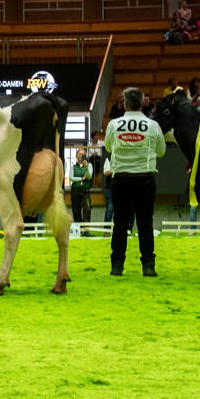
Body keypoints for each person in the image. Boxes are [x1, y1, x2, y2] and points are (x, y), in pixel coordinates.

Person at [105, 86, 166, 277]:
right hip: (145, 179)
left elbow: (108, 147)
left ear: (125, 104)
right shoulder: (153, 125)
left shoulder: (114, 124)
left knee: (120, 223)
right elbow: (161, 151)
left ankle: (117, 265)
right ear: (142, 104)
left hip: (121, 180)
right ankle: (148, 265)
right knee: (145, 223)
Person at [69, 148, 92, 226]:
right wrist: (81, 179)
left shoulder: (89, 165)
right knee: (76, 211)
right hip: (75, 191)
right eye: (79, 154)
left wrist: (86, 168)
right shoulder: (73, 167)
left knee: (87, 209)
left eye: (83, 154)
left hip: (86, 191)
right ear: (76, 156)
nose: (81, 156)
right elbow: (71, 178)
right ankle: (78, 229)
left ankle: (85, 229)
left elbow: (89, 176)